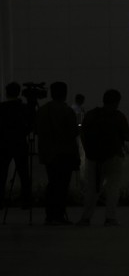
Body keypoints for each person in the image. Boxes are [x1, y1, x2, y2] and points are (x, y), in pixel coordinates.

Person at [77, 89, 129, 227]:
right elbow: (128, 136)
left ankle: (86, 218)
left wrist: (89, 153)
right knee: (113, 188)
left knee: (92, 189)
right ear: (117, 102)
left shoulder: (91, 115)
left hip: (94, 158)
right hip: (114, 157)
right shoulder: (118, 116)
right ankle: (110, 218)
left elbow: (83, 134)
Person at [35, 81, 80, 225]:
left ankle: (50, 214)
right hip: (65, 153)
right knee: (62, 185)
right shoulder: (67, 111)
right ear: (65, 93)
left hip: (48, 153)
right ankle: (59, 214)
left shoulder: (42, 110)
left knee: (52, 183)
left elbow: (37, 130)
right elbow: (73, 132)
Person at [0, 82, 32, 210]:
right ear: (18, 92)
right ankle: (26, 201)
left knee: (1, 173)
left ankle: (0, 201)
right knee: (24, 173)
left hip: (3, 144)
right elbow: (30, 125)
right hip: (19, 143)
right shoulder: (23, 108)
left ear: (7, 92)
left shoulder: (1, 108)